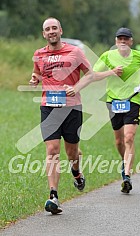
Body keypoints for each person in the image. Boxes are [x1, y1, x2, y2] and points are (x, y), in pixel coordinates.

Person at [29, 17, 115, 214]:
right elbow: (38, 74)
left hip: (72, 108)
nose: (51, 31)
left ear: (60, 30)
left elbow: (90, 75)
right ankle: (53, 196)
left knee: (72, 153)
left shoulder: (75, 52)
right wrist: (35, 79)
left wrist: (74, 88)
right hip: (48, 106)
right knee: (52, 150)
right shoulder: (38, 54)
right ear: (43, 34)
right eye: (47, 29)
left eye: (54, 28)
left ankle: (76, 173)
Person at [93, 27, 140, 194]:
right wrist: (111, 72)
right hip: (113, 102)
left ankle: (126, 176)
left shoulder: (139, 56)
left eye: (126, 39)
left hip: (133, 100)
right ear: (116, 41)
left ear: (131, 41)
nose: (123, 41)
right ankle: (125, 162)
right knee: (119, 141)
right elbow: (94, 74)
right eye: (120, 39)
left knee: (129, 137)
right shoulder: (107, 56)